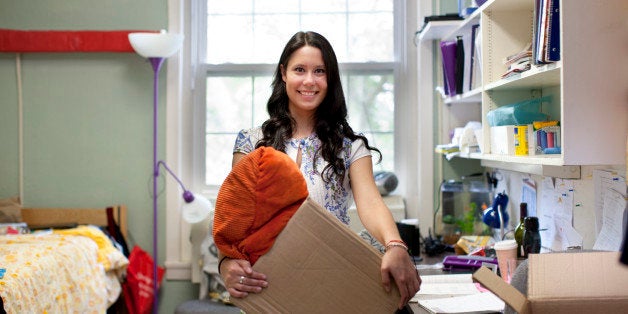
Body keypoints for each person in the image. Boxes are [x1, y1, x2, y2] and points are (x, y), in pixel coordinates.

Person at [217, 31, 421, 310]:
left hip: (332, 276)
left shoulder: (350, 146)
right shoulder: (251, 142)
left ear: (330, 78)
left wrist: (395, 245)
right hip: (267, 281)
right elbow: (232, 216)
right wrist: (225, 263)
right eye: (299, 69)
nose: (309, 81)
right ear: (284, 73)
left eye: (320, 71)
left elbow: (371, 202)